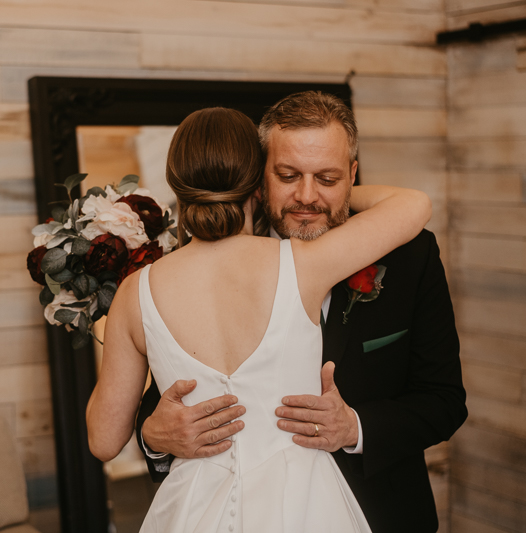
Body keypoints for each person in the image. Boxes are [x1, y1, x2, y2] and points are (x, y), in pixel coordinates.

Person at [87, 106, 432, 532]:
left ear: (175, 184)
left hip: (192, 509)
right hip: (303, 503)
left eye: (324, 178)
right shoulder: (306, 265)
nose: (305, 196)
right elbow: (413, 204)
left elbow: (103, 442)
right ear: (259, 182)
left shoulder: (133, 293)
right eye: (286, 177)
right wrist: (334, 189)